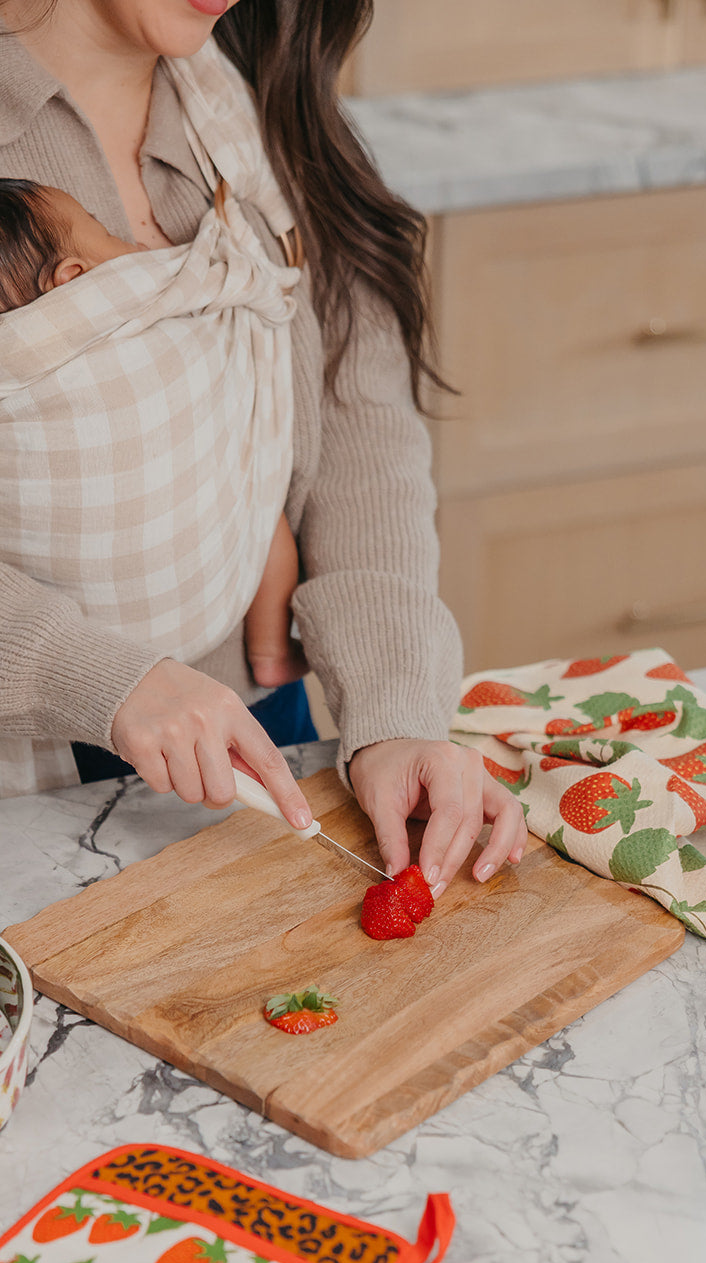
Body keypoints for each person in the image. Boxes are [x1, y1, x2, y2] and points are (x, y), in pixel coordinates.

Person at [0, 0, 526, 897]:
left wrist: (395, 711)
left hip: (259, 713)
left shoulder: (261, 101)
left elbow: (362, 428)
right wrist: (96, 675)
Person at [0, 174, 307, 693]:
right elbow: (232, 282)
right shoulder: (147, 296)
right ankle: (272, 650)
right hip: (194, 651)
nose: (135, 246)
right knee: (259, 495)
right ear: (74, 276)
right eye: (105, 231)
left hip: (91, 656)